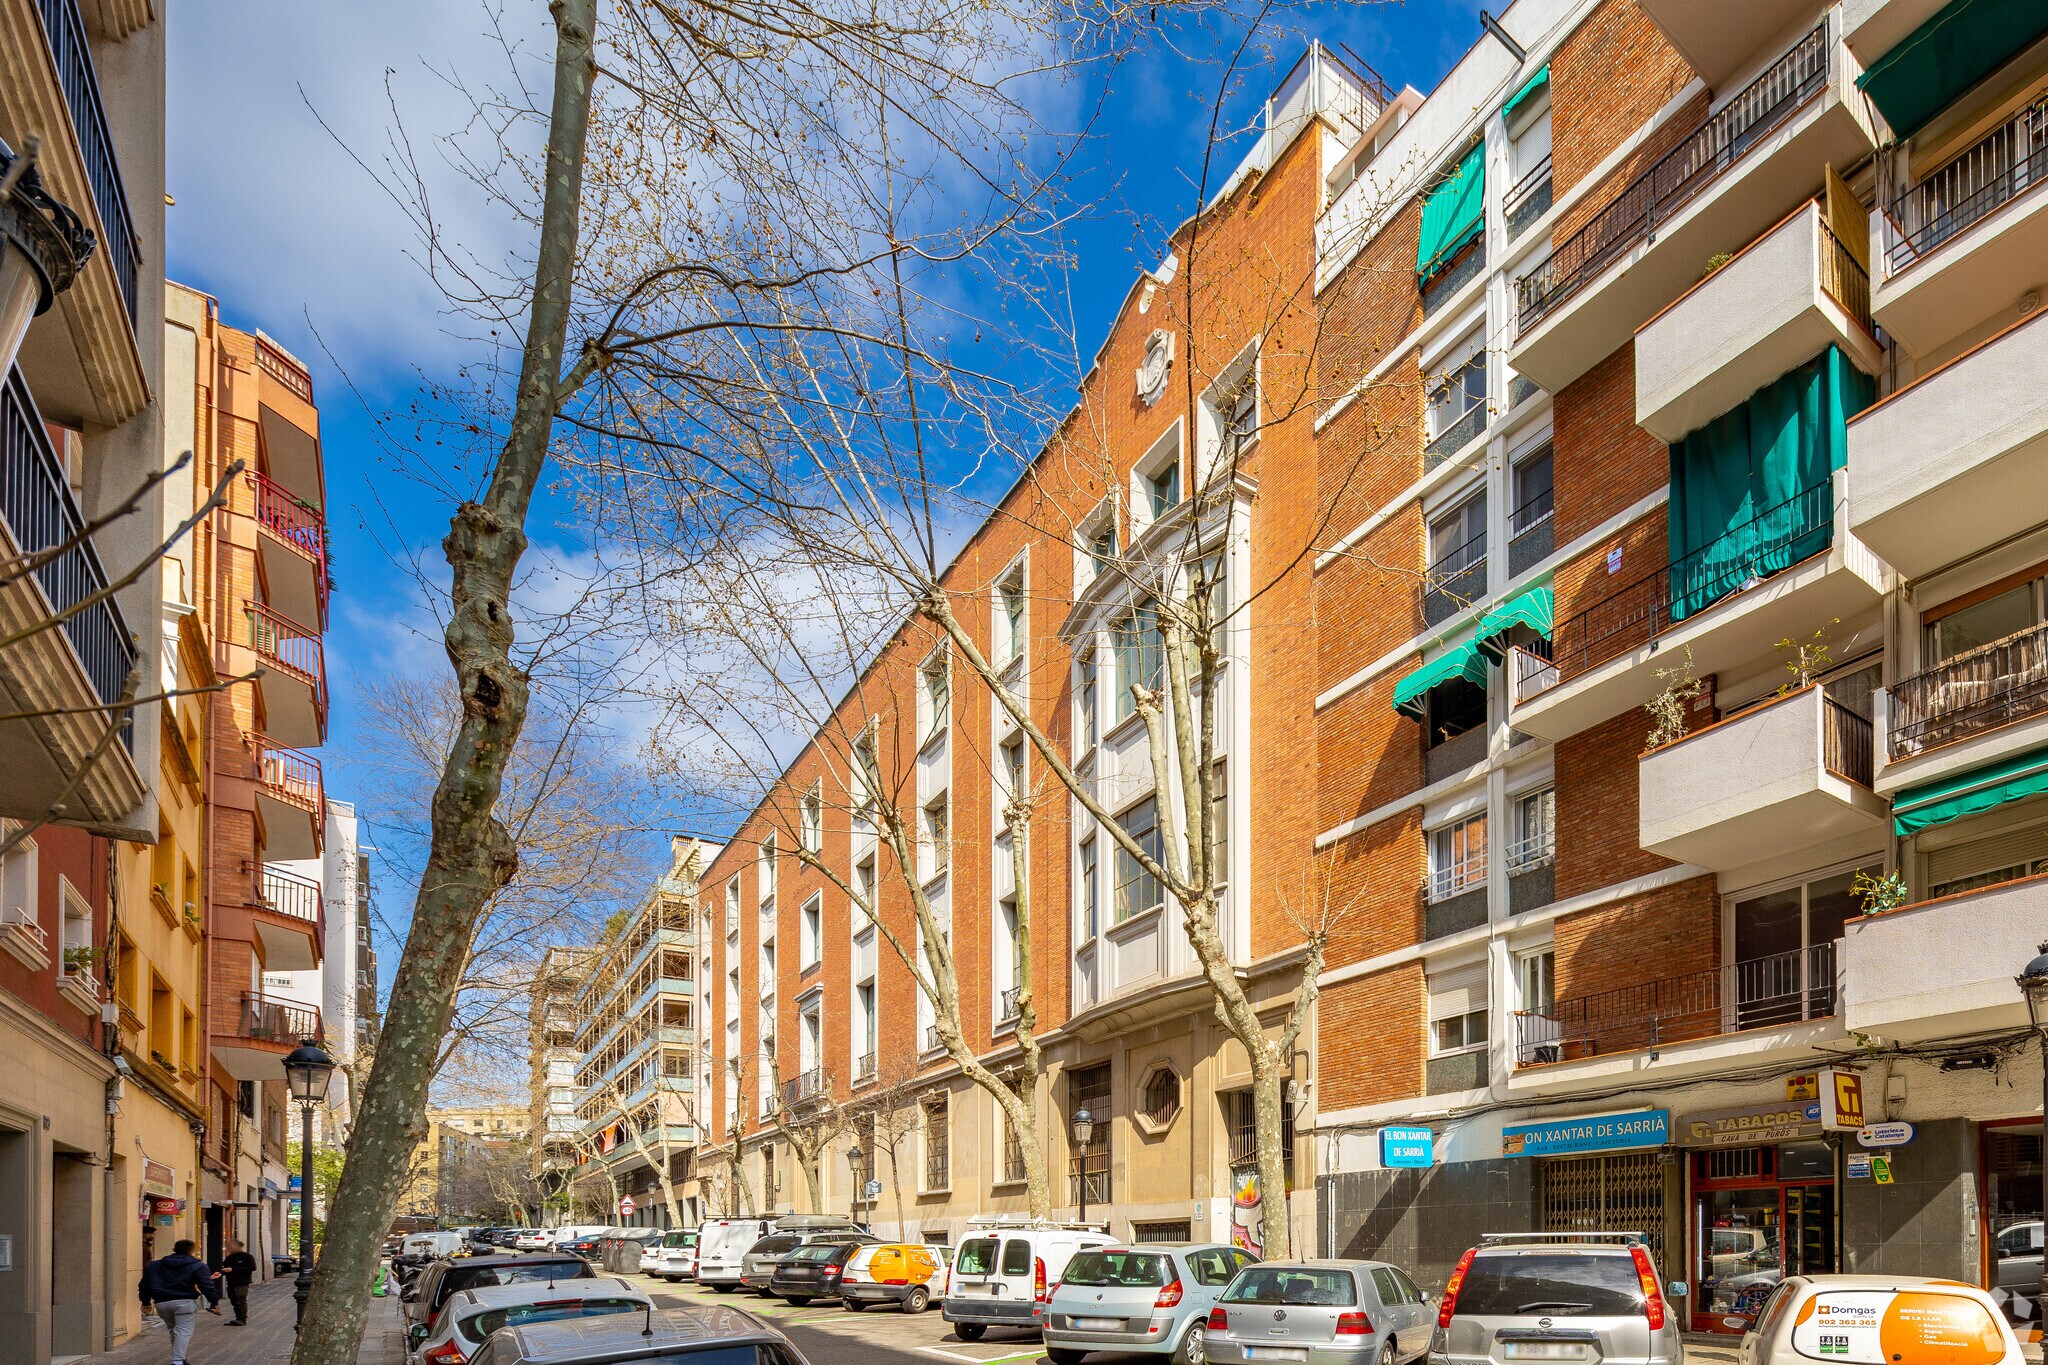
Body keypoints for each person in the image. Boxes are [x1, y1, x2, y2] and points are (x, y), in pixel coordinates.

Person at [138, 1238, 221, 1365]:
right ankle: (178, 1361)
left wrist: (145, 1302)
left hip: (162, 1303)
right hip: (185, 1303)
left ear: (174, 1250)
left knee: (174, 1330)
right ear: (193, 1251)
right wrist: (214, 1302)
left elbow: (144, 1284)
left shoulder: (155, 1265)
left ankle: (180, 1358)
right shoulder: (198, 1265)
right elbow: (206, 1286)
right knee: (183, 1331)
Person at [218, 1238, 258, 1326]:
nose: (229, 1248)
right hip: (231, 1282)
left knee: (240, 1299)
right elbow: (225, 1268)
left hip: (242, 1282)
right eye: (229, 1247)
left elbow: (252, 1268)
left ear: (238, 1246)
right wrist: (220, 1273)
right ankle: (238, 1317)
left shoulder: (247, 1257)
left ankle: (242, 1319)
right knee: (234, 1300)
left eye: (231, 1247)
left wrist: (233, 1269)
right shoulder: (229, 1258)